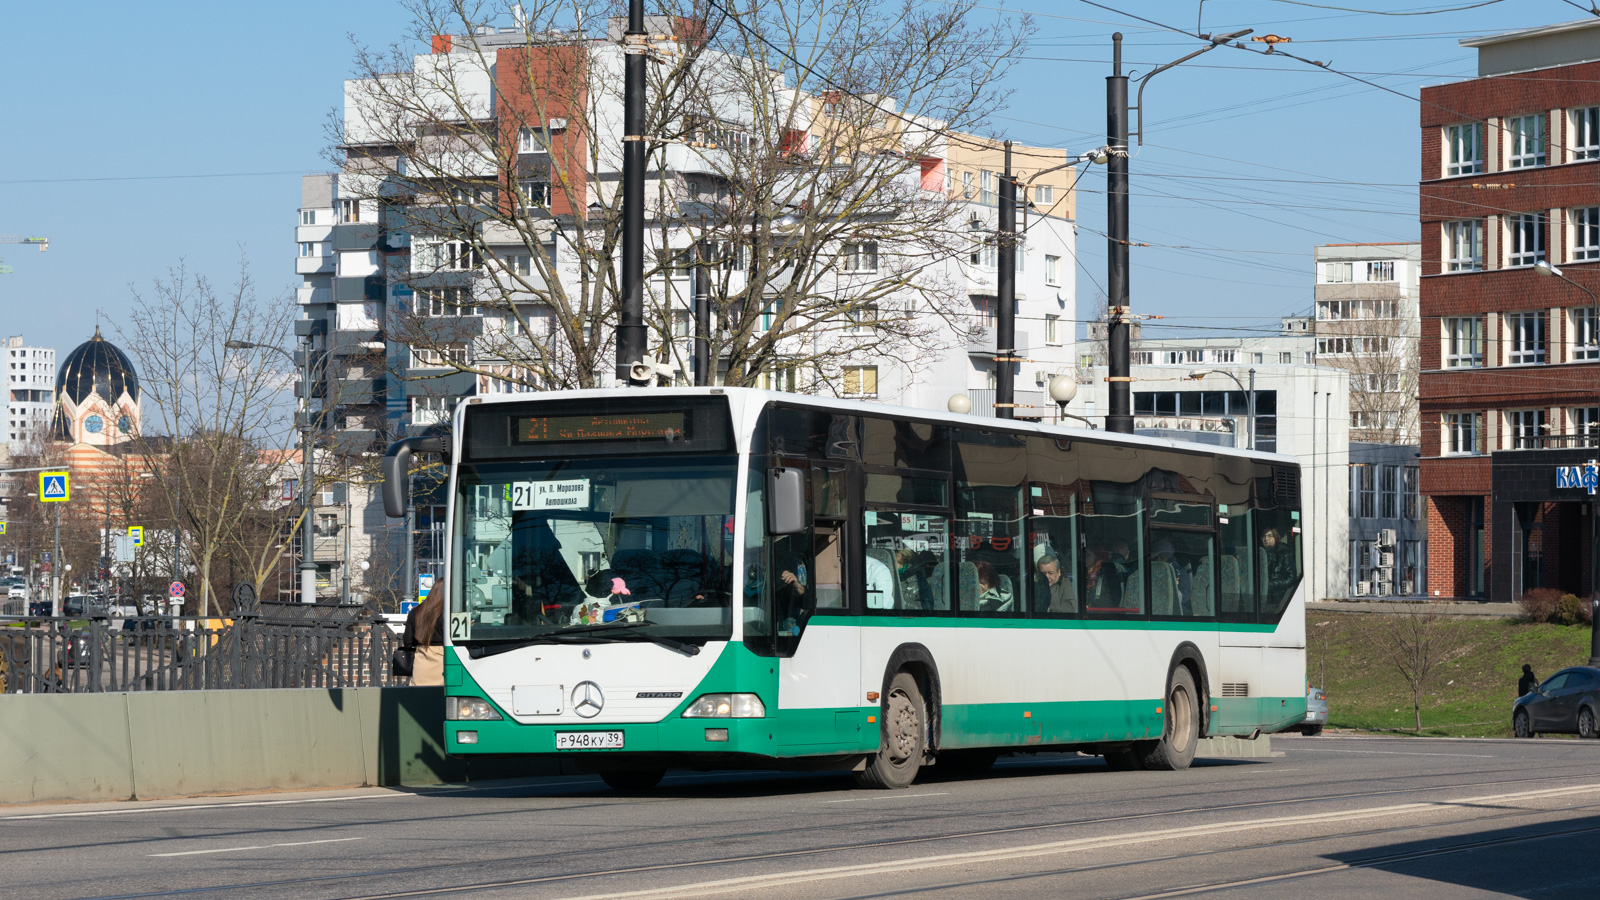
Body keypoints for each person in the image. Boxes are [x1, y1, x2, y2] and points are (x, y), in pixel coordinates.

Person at [401, 586, 445, 687]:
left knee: (420, 696)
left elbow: (407, 641)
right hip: (443, 660)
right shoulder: (448, 613)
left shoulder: (416, 611)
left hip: (421, 662)